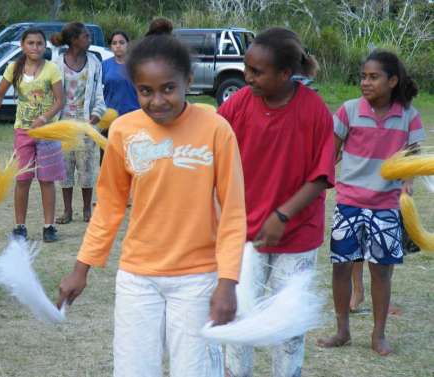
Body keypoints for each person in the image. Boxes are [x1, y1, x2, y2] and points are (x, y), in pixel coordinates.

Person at [57, 19, 246, 377]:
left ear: (189, 82)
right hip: (137, 277)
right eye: (145, 91)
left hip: (197, 277)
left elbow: (234, 212)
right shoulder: (125, 131)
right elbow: (109, 206)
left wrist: (227, 283)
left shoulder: (216, 129)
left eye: (168, 89)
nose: (157, 101)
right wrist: (80, 269)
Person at [218, 27, 335, 376]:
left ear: (286, 74)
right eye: (246, 68)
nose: (247, 77)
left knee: (287, 327)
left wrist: (282, 216)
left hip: (297, 234)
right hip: (246, 234)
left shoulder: (314, 110)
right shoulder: (238, 103)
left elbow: (321, 175)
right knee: (239, 319)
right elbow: (213, 146)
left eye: (257, 72)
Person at [317, 50, 424, 356]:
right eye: (363, 76)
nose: (365, 82)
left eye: (373, 77)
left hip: (387, 206)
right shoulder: (348, 111)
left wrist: (407, 184)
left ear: (392, 81)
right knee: (341, 267)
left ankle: (378, 336)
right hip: (349, 202)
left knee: (382, 272)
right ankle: (342, 331)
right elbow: (330, 154)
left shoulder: (408, 116)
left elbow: (414, 158)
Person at [0, 28, 64, 242]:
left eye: (39, 43)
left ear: (45, 47)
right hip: (23, 132)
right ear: (22, 45)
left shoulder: (52, 69)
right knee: (23, 178)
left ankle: (49, 226)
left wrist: (44, 119)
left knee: (46, 180)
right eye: (31, 43)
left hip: (48, 132)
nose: (35, 47)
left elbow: (60, 101)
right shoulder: (13, 68)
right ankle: (20, 226)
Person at [50, 22, 106, 224]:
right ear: (74, 40)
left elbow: (99, 93)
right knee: (64, 169)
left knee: (87, 168)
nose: (89, 40)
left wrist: (97, 113)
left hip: (86, 124)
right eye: (86, 37)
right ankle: (67, 211)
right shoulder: (56, 63)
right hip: (63, 124)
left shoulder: (94, 63)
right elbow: (51, 95)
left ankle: (86, 210)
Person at [101, 30, 140, 162]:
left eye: (121, 42)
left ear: (127, 45)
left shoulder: (137, 65)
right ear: (111, 47)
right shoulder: (104, 66)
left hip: (133, 118)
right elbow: (97, 93)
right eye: (114, 43)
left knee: (132, 159)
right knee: (108, 159)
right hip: (109, 120)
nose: (118, 46)